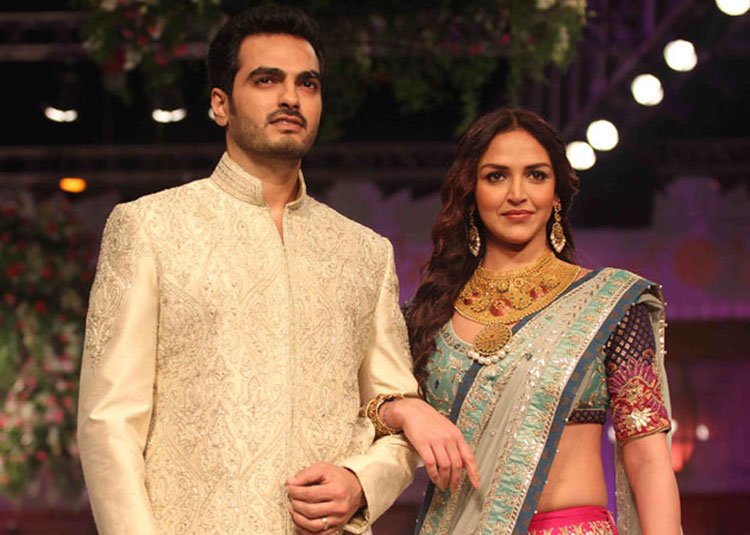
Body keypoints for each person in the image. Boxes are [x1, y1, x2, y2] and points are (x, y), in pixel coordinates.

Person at [76, 5, 476, 534]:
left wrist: (361, 483)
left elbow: (392, 413)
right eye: (267, 80)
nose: (291, 97)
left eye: (307, 83)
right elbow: (108, 422)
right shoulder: (151, 227)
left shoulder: (363, 252)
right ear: (220, 104)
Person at [390, 108, 681, 534]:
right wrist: (404, 408)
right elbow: (372, 417)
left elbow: (648, 459)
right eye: (496, 176)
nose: (517, 194)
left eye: (536, 175)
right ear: (471, 192)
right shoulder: (426, 316)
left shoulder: (609, 305)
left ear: (557, 192)